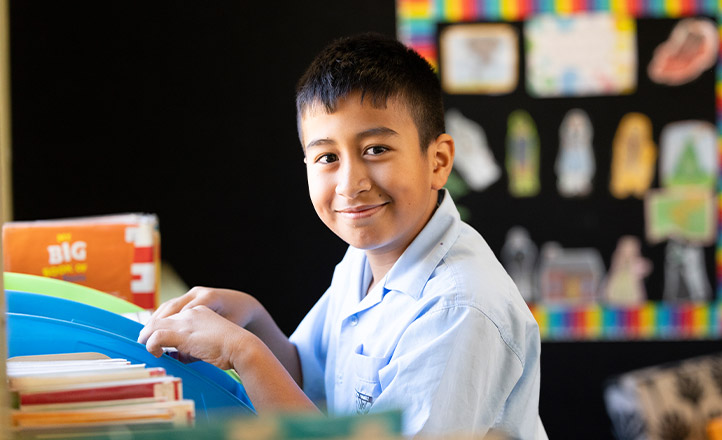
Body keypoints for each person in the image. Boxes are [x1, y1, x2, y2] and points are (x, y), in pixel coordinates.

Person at [138, 33, 546, 439]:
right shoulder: (366, 258)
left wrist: (242, 352)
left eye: (376, 150)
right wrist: (252, 319)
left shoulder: (459, 307)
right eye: (328, 157)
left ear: (437, 162)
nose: (351, 184)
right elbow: (305, 379)